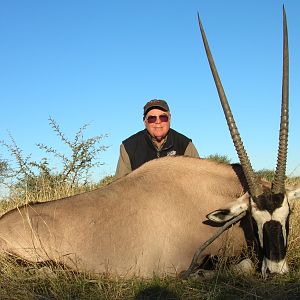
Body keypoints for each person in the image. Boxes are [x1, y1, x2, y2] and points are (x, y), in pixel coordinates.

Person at [115, 99, 199, 179]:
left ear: (169, 118)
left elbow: (198, 178)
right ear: (145, 122)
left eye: (163, 117)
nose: (158, 122)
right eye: (152, 118)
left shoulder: (185, 145)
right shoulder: (128, 147)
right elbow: (119, 187)